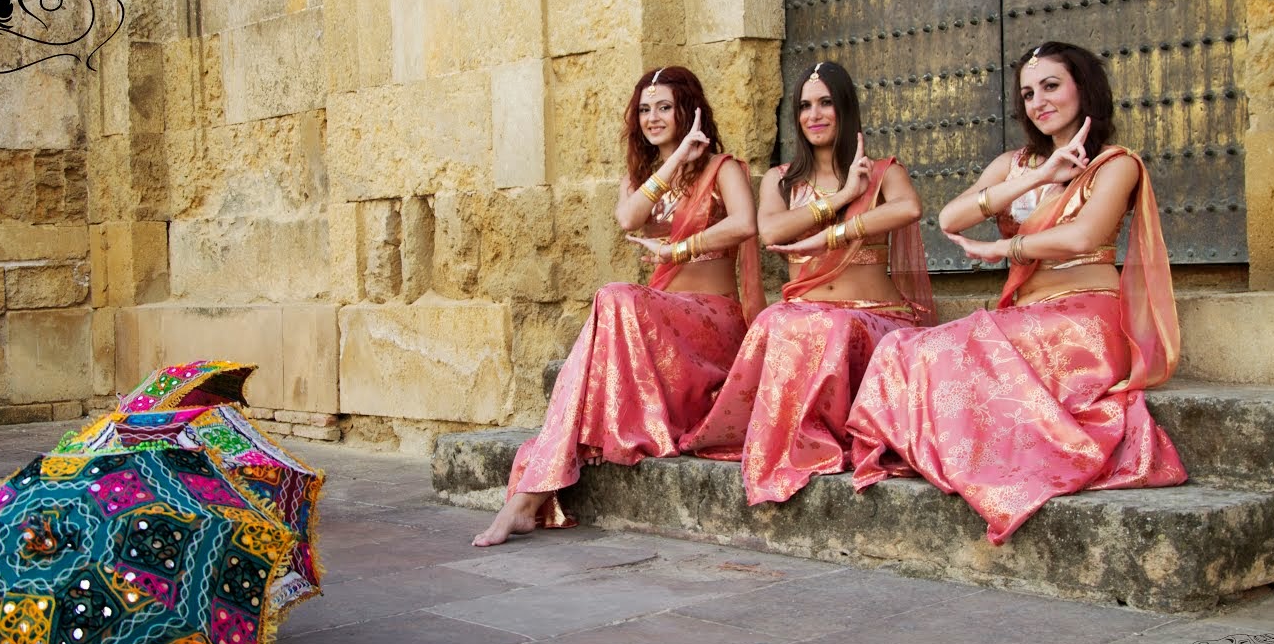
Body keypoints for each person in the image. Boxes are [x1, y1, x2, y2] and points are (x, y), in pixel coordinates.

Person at [845, 41, 1185, 543]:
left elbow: (1082, 237)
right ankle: (956, 459)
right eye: (1028, 93)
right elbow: (950, 218)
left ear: (1083, 89)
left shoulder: (1116, 164)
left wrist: (1006, 247)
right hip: (1025, 318)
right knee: (904, 348)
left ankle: (981, 464)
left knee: (946, 351)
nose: (1038, 102)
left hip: (1085, 323)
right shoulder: (1016, 164)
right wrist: (1039, 176)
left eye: (1051, 86)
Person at [472, 66, 763, 546]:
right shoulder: (646, 176)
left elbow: (747, 223)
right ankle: (527, 500)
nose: (653, 117)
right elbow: (628, 217)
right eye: (645, 109)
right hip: (663, 323)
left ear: (689, 109)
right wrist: (671, 163)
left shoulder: (722, 168)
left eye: (665, 107)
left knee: (614, 297)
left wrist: (679, 249)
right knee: (610, 317)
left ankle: (528, 496)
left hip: (713, 322)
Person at [680, 61, 934, 504]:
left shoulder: (883, 173)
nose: (814, 115)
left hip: (874, 319)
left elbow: (909, 208)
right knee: (777, 321)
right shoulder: (781, 181)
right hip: (808, 316)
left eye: (825, 103)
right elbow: (773, 232)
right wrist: (841, 199)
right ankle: (789, 443)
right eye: (804, 106)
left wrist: (839, 228)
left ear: (845, 109)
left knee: (829, 327)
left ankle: (822, 440)